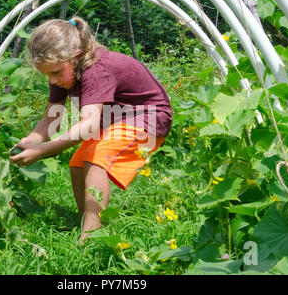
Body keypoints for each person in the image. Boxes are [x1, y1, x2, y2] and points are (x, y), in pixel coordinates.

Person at [10, 17, 172, 243]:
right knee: (78, 161)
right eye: (47, 74)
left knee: (98, 156)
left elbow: (89, 126)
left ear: (75, 57)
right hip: (116, 121)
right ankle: (85, 220)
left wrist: (43, 150)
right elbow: (50, 118)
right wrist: (31, 141)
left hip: (151, 118)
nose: (53, 80)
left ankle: (90, 237)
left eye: (55, 72)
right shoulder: (62, 71)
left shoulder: (96, 69)